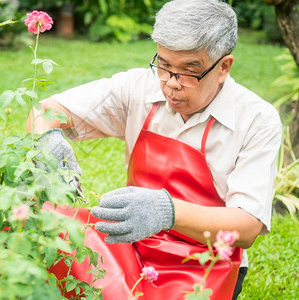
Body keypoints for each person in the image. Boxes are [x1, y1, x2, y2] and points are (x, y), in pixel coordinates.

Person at [27, 0, 282, 299]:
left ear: (223, 67)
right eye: (163, 65)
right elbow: (47, 110)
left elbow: (247, 225)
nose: (171, 84)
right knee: (42, 213)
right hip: (129, 242)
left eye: (189, 71)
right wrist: (47, 140)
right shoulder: (138, 87)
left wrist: (167, 212)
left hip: (206, 263)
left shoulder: (256, 119)